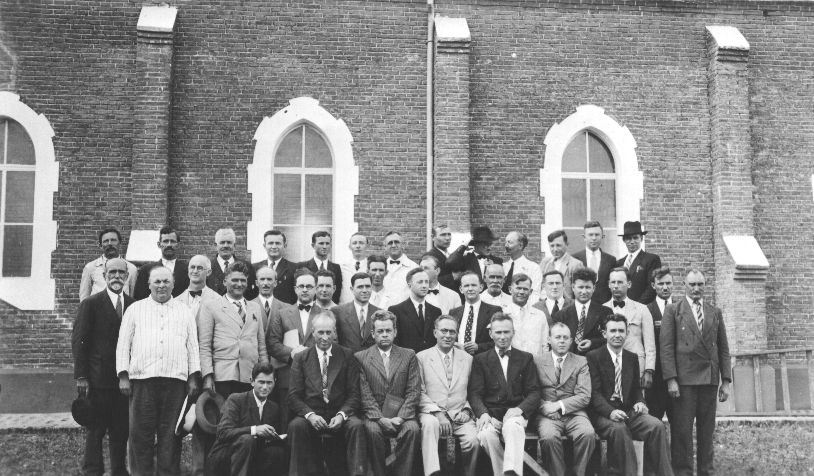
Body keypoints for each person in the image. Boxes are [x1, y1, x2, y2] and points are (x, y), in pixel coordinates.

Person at [116, 266, 200, 476]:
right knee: (140, 434)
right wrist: (123, 375)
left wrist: (192, 377)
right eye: (157, 282)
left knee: (170, 434)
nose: (161, 285)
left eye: (165, 281)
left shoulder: (184, 310)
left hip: (175, 382)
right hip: (143, 380)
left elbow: (193, 346)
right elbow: (123, 344)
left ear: (173, 284)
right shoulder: (135, 309)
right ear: (149, 285)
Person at [661, 269, 731, 476]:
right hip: (684, 381)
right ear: (684, 285)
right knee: (682, 432)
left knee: (707, 432)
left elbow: (723, 348)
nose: (696, 288)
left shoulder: (714, 311)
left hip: (709, 379)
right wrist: (671, 380)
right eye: (692, 284)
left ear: (705, 285)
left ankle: (706, 471)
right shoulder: (673, 311)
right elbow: (666, 348)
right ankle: (683, 472)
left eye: (700, 284)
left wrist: (725, 381)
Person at [586, 314, 673, 476]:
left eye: (621, 331)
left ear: (627, 333)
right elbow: (594, 394)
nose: (617, 335)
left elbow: (635, 390)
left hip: (628, 412)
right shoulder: (593, 357)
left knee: (657, 426)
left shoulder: (631, 358)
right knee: (619, 430)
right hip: (603, 414)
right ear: (604, 334)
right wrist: (610, 412)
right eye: (613, 331)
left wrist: (640, 402)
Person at [72, 257, 133, 476]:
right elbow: (80, 340)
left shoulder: (134, 304)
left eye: (121, 273)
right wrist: (81, 376)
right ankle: (92, 470)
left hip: (124, 381)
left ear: (126, 277)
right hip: (98, 380)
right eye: (112, 272)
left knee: (120, 429)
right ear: (104, 276)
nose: (116, 276)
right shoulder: (91, 303)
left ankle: (118, 470)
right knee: (96, 429)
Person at [288, 313, 366, 476]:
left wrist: (342, 415)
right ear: (313, 332)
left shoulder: (347, 355)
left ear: (335, 333)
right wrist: (310, 415)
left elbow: (354, 394)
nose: (324, 337)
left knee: (356, 425)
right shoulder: (301, 358)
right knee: (296, 426)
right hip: (312, 414)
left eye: (329, 332)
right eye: (320, 332)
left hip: (339, 413)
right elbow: (294, 396)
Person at [468, 313, 541, 476]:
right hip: (491, 414)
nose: (502, 337)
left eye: (506, 332)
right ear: (491, 334)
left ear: (513, 332)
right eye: (498, 332)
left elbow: (535, 392)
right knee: (486, 434)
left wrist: (520, 409)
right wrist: (483, 413)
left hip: (515, 413)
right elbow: (474, 393)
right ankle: (506, 472)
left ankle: (511, 472)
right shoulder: (480, 359)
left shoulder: (525, 358)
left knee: (513, 427)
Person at [356, 311, 421, 476]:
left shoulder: (409, 355)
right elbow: (364, 394)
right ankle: (380, 472)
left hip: (402, 415)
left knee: (412, 429)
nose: (384, 335)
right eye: (380, 331)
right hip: (375, 416)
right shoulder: (361, 358)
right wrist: (380, 418)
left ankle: (402, 472)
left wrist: (401, 417)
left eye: (388, 331)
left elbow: (413, 390)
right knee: (372, 431)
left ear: (395, 332)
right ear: (373, 333)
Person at [416, 315, 480, 476]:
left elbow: (474, 391)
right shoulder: (421, 357)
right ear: (435, 332)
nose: (448, 335)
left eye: (452, 331)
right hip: (432, 413)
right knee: (430, 426)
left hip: (459, 413)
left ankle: (467, 473)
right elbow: (419, 391)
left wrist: (467, 411)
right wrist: (437, 413)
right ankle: (432, 473)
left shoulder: (468, 359)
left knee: (473, 440)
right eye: (443, 330)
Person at [534, 323, 595, 476]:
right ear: (549, 340)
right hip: (546, 415)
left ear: (571, 340)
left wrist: (558, 405)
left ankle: (578, 473)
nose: (561, 341)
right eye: (557, 337)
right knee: (548, 437)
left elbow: (584, 395)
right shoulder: (536, 361)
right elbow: (531, 392)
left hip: (574, 413)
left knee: (587, 433)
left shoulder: (581, 361)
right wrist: (545, 408)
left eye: (565, 338)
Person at [207, 362, 287, 476]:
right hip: (225, 458)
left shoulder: (274, 407)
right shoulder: (236, 399)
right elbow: (222, 433)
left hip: (252, 458)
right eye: (261, 382)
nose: (265, 387)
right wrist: (254, 430)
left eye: (269, 382)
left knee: (277, 452)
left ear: (275, 382)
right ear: (252, 381)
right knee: (246, 439)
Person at [266, 268, 322, 432]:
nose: (305, 289)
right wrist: (291, 353)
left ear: (316, 289)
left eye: (309, 286)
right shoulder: (282, 314)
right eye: (301, 286)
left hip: (316, 378)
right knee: (286, 422)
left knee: (313, 424)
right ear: (295, 288)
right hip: (288, 377)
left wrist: (310, 353)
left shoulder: (326, 314)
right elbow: (272, 343)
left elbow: (333, 342)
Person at [606, 267, 656, 390]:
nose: (616, 286)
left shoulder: (642, 309)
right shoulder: (601, 309)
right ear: (608, 284)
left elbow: (650, 343)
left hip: (636, 366)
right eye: (613, 282)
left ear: (629, 284)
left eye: (620, 282)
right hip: (609, 365)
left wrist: (649, 370)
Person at [553, 268, 613, 356]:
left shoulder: (605, 312)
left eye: (588, 287)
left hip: (596, 361)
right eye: (580, 287)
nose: (584, 291)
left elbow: (611, 338)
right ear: (573, 287)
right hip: (570, 362)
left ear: (594, 288)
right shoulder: (561, 315)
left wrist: (592, 343)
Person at [645, 267, 674, 421]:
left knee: (679, 425)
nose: (665, 287)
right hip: (655, 379)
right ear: (653, 285)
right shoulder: (647, 310)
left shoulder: (682, 308)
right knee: (653, 423)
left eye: (668, 283)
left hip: (678, 379)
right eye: (660, 283)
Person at [450, 271, 502, 355]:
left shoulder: (494, 311)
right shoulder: (453, 313)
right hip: (458, 359)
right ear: (461, 289)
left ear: (481, 287)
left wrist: (479, 347)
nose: (470, 289)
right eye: (466, 286)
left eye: (473, 285)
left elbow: (500, 339)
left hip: (483, 360)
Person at [79, 227, 137, 301]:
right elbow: (84, 298)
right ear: (100, 245)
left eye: (113, 240)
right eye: (106, 241)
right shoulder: (90, 267)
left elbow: (132, 298)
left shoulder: (131, 268)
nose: (110, 244)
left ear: (120, 243)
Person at [390, 268, 440, 353]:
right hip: (406, 361)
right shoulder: (396, 310)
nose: (424, 285)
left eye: (426, 282)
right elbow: (394, 341)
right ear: (410, 285)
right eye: (420, 282)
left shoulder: (436, 311)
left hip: (430, 361)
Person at [133, 226, 189, 300]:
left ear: (178, 245)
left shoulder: (188, 270)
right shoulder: (146, 270)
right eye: (165, 241)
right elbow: (140, 297)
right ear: (159, 245)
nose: (169, 245)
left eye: (172, 241)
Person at [615, 221, 661, 305]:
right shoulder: (619, 263)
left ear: (641, 238)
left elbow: (652, 288)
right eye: (628, 238)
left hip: (642, 308)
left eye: (635, 238)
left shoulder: (651, 259)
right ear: (624, 240)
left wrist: (637, 307)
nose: (632, 241)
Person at [504, 273, 549, 359]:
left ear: (530, 292)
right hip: (511, 364)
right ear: (510, 289)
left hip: (535, 363)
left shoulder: (540, 315)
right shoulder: (503, 314)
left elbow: (545, 345)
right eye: (518, 288)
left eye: (525, 289)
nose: (521, 292)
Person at [333, 272, 380, 353]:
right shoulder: (338, 312)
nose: (364, 290)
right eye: (360, 287)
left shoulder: (379, 313)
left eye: (368, 286)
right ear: (352, 289)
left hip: (371, 362)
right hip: (346, 362)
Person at [572, 221, 616, 305]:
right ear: (584, 237)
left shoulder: (611, 260)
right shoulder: (575, 258)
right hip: (581, 305)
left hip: (604, 306)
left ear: (602, 236)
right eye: (590, 235)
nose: (594, 238)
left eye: (597, 234)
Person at [208, 228, 257, 299]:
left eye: (229, 242)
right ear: (216, 245)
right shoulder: (208, 267)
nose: (225, 245)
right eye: (222, 242)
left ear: (234, 246)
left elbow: (252, 294)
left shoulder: (247, 267)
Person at [252, 229, 297, 305]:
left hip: (284, 313)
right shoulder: (254, 268)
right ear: (264, 246)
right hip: (260, 312)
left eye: (278, 243)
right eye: (270, 243)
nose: (274, 246)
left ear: (284, 246)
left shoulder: (294, 268)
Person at [298, 230, 343, 304]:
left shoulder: (336, 268)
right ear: (313, 245)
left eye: (327, 243)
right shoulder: (303, 266)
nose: (324, 247)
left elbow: (337, 293)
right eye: (321, 243)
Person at [540, 230, 583, 300]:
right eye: (552, 246)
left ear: (567, 244)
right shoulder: (545, 262)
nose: (555, 249)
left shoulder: (575, 264)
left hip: (565, 306)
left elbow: (579, 292)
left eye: (558, 245)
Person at [502, 231, 542, 302]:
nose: (506, 245)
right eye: (505, 242)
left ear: (520, 245)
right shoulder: (503, 266)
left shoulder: (533, 267)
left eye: (509, 242)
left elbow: (535, 294)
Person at [381, 231, 418, 304]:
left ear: (403, 245)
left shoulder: (414, 268)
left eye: (397, 242)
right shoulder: (381, 267)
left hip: (405, 312)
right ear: (385, 247)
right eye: (390, 243)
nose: (393, 245)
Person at [339, 232, 369, 304]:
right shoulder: (341, 267)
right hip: (345, 308)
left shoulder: (371, 267)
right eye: (354, 243)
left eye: (361, 243)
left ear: (367, 246)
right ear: (349, 246)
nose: (358, 246)